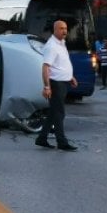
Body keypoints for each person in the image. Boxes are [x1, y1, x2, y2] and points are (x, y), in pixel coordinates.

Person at [37, 20, 78, 152]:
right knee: (59, 113)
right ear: (55, 30)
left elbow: (60, 64)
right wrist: (47, 87)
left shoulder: (61, 44)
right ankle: (62, 142)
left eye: (65, 28)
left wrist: (70, 77)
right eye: (61, 28)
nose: (64, 31)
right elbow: (46, 67)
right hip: (55, 84)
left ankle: (42, 138)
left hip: (62, 82)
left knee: (54, 113)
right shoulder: (52, 46)